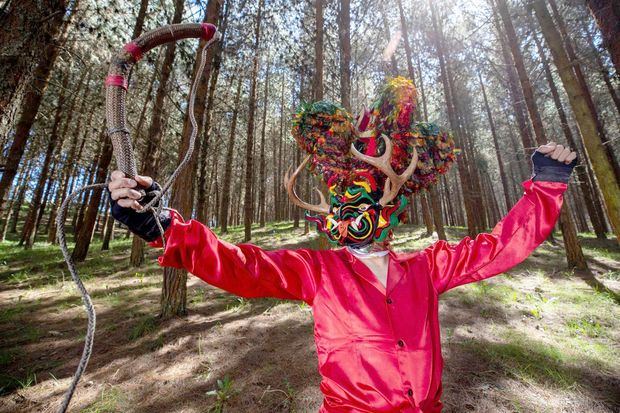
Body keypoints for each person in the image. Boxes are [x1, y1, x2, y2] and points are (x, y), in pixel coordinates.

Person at [108, 78, 577, 412]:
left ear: (391, 205)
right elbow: (244, 267)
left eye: (365, 201)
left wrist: (547, 187)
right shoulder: (318, 273)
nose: (352, 215)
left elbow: (498, 247)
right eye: (342, 205)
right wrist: (163, 226)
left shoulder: (427, 267)